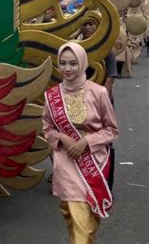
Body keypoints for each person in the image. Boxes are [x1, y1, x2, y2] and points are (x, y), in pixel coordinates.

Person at [42, 42, 118, 244]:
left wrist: (86, 141)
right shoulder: (52, 96)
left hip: (94, 160)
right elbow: (47, 128)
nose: (67, 69)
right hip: (66, 162)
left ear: (83, 63)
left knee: (86, 220)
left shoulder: (99, 92)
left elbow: (112, 130)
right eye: (63, 63)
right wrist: (62, 138)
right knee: (74, 216)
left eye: (73, 64)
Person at [79, 19, 118, 104]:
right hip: (80, 99)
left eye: (91, 24)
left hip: (101, 99)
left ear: (97, 27)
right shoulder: (76, 49)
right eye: (84, 24)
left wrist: (102, 100)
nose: (87, 27)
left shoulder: (107, 51)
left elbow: (110, 78)